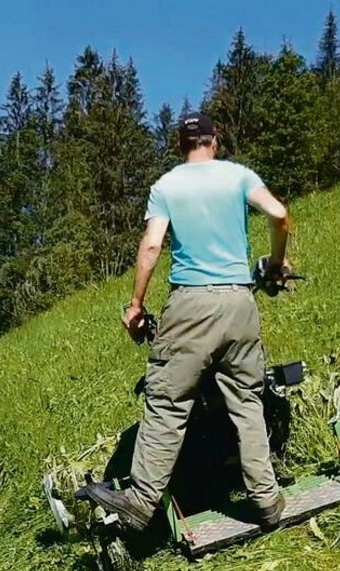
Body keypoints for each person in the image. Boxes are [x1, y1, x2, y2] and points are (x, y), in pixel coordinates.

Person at [85, 112, 293, 532]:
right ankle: (267, 500)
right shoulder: (239, 176)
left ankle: (140, 502)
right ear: (215, 141)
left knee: (168, 400)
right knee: (247, 400)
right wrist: (275, 261)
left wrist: (136, 304)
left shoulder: (167, 186)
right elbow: (279, 214)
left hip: (192, 304)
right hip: (239, 303)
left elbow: (151, 246)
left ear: (181, 145)